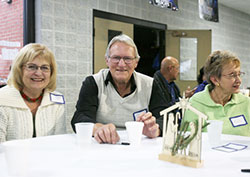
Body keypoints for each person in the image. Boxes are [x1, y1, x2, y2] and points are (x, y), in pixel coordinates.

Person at [71, 34, 166, 144]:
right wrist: (98, 128)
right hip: (103, 147)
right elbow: (80, 117)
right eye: (116, 58)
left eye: (128, 59)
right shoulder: (93, 83)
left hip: (139, 147)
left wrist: (156, 129)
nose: (121, 64)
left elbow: (166, 118)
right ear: (107, 60)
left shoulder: (150, 84)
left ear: (136, 62)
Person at [0, 43, 66, 142]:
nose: (38, 73)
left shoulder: (57, 101)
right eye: (31, 67)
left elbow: (59, 141)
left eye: (44, 68)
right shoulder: (2, 99)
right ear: (19, 69)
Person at [184, 50, 250, 136]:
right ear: (215, 80)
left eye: (239, 74)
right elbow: (188, 139)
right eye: (232, 75)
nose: (239, 80)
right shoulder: (196, 103)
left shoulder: (246, 102)